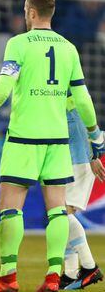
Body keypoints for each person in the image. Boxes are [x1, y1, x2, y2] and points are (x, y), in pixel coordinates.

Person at [0, 0, 105, 292]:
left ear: (30, 13)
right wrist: (96, 136)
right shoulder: (69, 48)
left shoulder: (18, 43)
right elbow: (83, 98)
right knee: (57, 209)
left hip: (24, 137)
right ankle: (53, 278)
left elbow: (3, 90)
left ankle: (8, 279)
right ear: (50, 13)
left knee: (10, 207)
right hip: (57, 140)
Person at [59, 96, 104, 290]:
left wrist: (94, 154)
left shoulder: (67, 89)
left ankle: (89, 266)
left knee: (61, 214)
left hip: (77, 160)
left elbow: (86, 119)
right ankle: (70, 274)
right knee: (63, 217)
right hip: (70, 159)